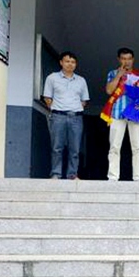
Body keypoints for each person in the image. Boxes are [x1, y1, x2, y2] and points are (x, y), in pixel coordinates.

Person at [101, 47, 139, 182]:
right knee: (114, 147)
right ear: (119, 59)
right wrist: (119, 75)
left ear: (133, 59)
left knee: (137, 147)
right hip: (118, 112)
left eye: (129, 59)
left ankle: (138, 178)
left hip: (135, 113)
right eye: (123, 58)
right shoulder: (112, 73)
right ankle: (113, 177)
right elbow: (109, 91)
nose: (126, 61)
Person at [42, 51, 90, 180]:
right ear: (61, 62)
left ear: (76, 64)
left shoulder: (81, 80)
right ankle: (56, 174)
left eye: (73, 62)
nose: (70, 64)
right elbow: (47, 98)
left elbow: (84, 101)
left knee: (75, 149)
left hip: (76, 117)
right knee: (57, 147)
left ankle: (72, 174)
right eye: (67, 61)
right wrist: (57, 108)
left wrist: (73, 108)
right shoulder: (52, 78)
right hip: (58, 116)